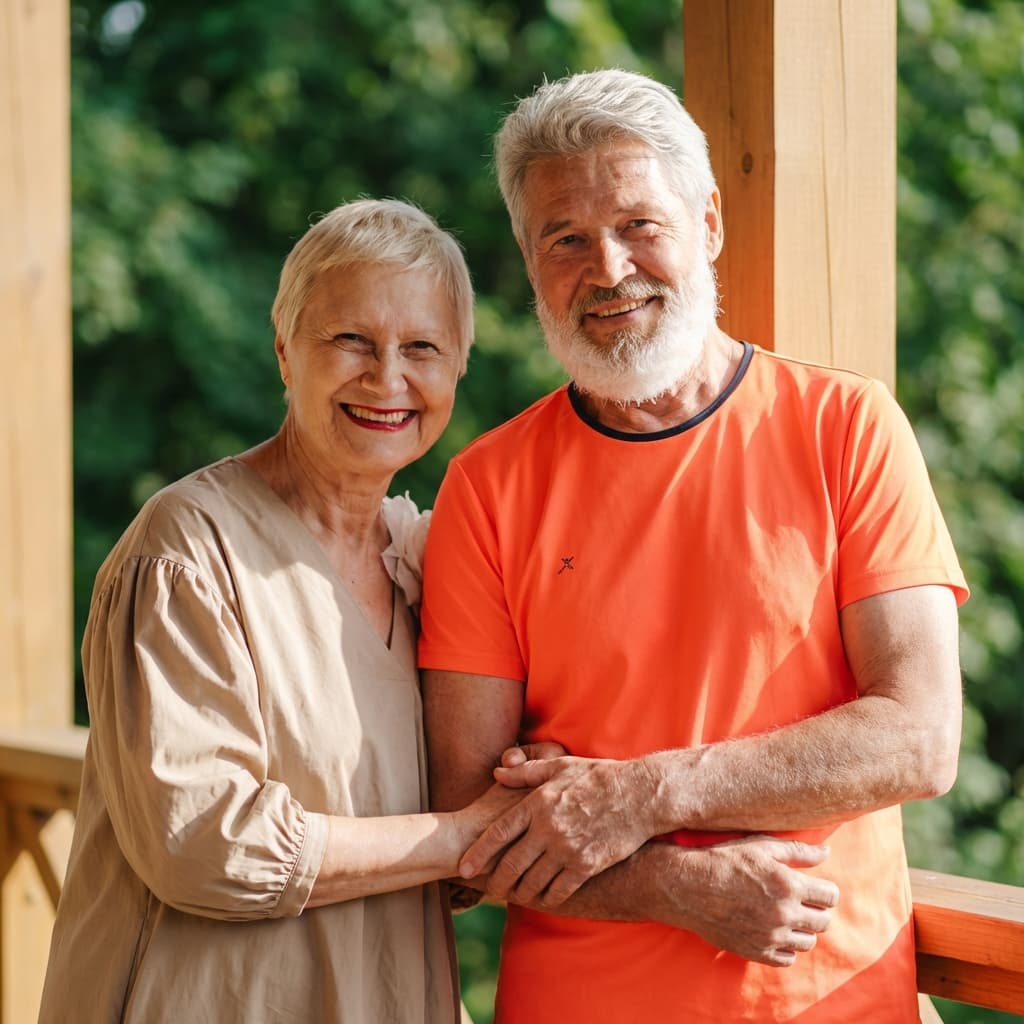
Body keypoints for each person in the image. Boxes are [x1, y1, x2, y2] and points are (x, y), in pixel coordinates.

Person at [419, 69, 967, 1023]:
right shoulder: (487, 487)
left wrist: (639, 795)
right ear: (528, 258)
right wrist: (675, 888)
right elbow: (470, 817)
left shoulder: (849, 427)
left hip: (833, 1005)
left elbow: (920, 737)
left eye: (639, 225)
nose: (610, 269)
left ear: (707, 223)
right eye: (567, 239)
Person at [40, 198, 527, 1024]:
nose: (387, 378)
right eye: (350, 341)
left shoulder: (435, 566)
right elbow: (206, 844)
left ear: (457, 372)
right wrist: (457, 835)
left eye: (422, 348)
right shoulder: (188, 552)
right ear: (284, 352)